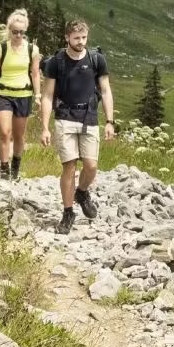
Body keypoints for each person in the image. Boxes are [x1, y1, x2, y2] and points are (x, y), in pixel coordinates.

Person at [39, 17, 115, 233]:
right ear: (67, 38)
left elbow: (106, 91)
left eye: (84, 37)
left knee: (91, 166)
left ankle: (82, 191)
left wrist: (110, 121)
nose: (81, 42)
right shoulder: (56, 62)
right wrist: (45, 127)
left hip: (89, 117)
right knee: (69, 167)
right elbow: (47, 95)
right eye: (76, 38)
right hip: (64, 116)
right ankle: (68, 212)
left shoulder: (96, 60)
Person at [0, 8, 41, 180]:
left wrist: (37, 95)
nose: (18, 35)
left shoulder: (32, 50)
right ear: (9, 30)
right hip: (3, 94)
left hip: (23, 95)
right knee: (5, 132)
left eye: (22, 32)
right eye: (15, 32)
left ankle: (16, 165)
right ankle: (4, 169)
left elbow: (35, 73)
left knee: (19, 136)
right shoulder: (0, 49)